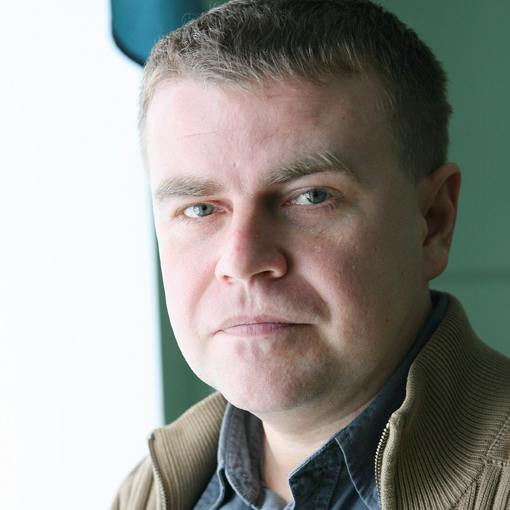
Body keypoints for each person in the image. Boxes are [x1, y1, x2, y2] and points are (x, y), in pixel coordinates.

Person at [112, 1, 510, 509]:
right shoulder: (147, 493)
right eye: (200, 208)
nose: (242, 260)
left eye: (311, 197)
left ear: (432, 222)